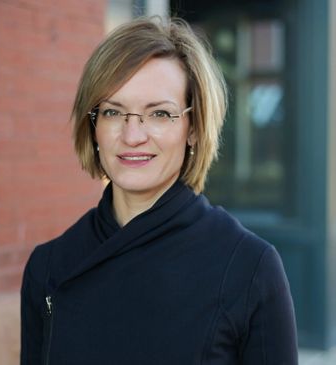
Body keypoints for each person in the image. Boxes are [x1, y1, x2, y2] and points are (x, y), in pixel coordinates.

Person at [20, 16, 298, 365]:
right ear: (93, 128)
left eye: (160, 114)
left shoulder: (249, 267)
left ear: (193, 128)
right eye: (112, 112)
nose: (132, 135)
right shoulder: (48, 267)